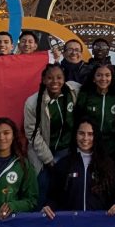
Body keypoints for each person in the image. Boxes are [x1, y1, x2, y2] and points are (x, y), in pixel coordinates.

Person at [43, 118, 115, 216]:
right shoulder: (63, 164)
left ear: (96, 136)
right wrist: (49, 206)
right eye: (81, 133)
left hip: (99, 225)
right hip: (70, 226)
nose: (85, 138)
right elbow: (53, 197)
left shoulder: (108, 164)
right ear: (75, 136)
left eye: (90, 134)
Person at [24, 63, 80, 201]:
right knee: (42, 189)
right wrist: (48, 160)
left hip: (67, 152)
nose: (55, 81)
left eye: (59, 77)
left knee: (66, 190)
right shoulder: (32, 103)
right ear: (43, 80)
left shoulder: (74, 91)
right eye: (50, 78)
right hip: (42, 154)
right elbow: (32, 134)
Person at [73, 62, 115, 146]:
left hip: (111, 145)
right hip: (89, 143)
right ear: (93, 78)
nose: (103, 78)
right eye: (99, 75)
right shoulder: (85, 95)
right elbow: (77, 118)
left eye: (107, 75)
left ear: (112, 77)